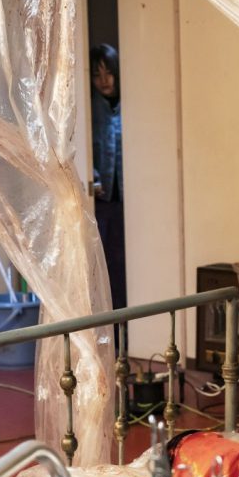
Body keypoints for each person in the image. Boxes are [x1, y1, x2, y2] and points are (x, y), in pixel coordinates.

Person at [90, 43, 127, 311]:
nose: (104, 80)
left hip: (127, 201)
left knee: (124, 261)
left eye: (109, 73)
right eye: (97, 74)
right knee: (104, 265)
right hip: (100, 202)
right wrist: (94, 177)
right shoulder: (90, 108)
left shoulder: (130, 104)